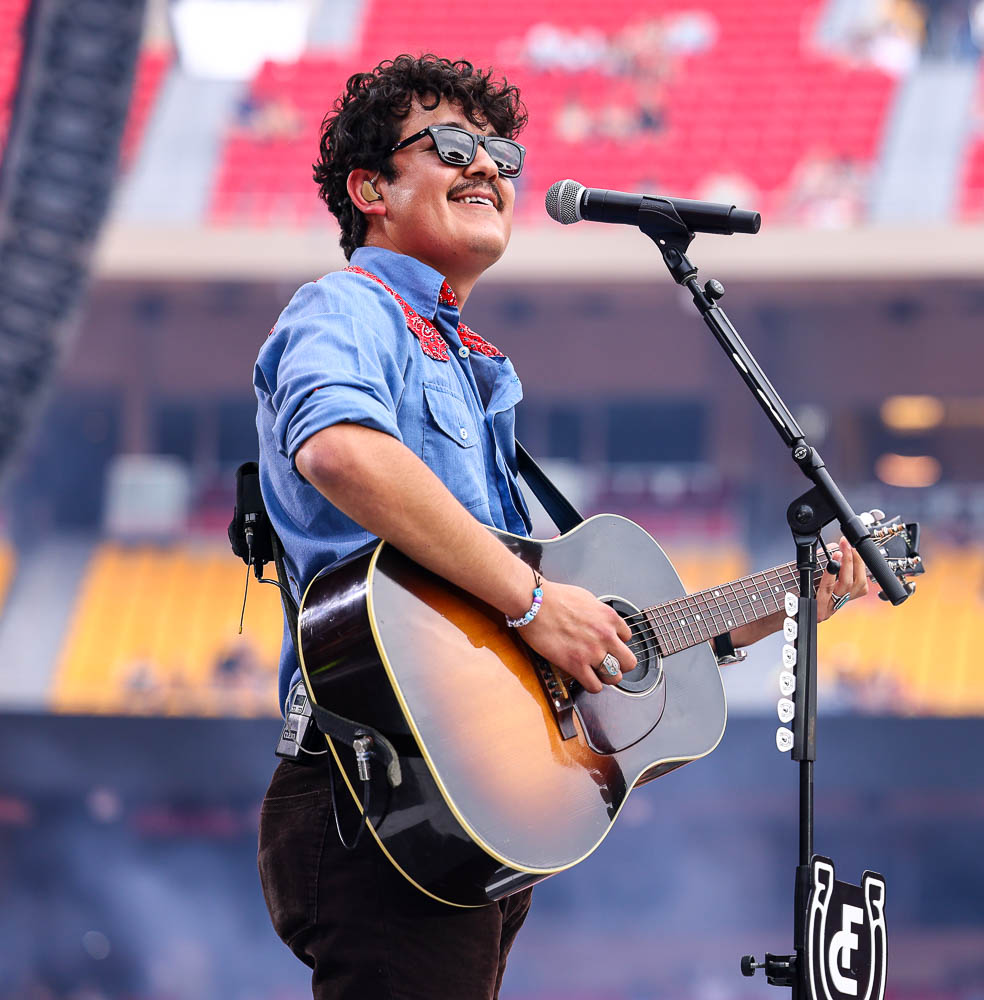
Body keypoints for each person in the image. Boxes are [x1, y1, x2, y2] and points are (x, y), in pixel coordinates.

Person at [252, 54, 870, 998]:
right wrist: (536, 597)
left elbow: (555, 638)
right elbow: (339, 451)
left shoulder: (469, 364)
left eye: (501, 150)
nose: (490, 168)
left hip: (461, 802)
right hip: (375, 785)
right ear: (370, 188)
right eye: (451, 145)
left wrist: (793, 598)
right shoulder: (347, 308)